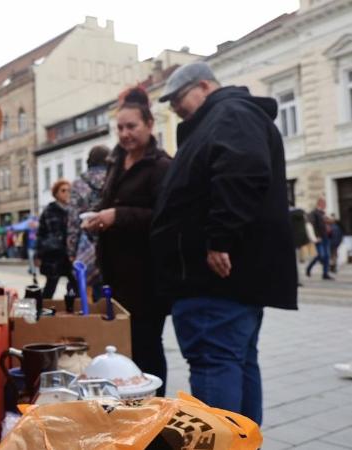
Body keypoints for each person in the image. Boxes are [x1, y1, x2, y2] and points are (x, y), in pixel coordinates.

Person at [150, 61, 297, 424]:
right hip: (224, 284)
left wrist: (219, 239)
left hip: (213, 283)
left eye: (178, 99)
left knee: (216, 366)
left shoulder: (229, 113)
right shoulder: (224, 117)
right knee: (235, 361)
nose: (174, 109)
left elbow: (242, 169)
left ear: (203, 86)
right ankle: (243, 443)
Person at [82, 88, 172, 395]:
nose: (124, 134)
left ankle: (154, 406)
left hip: (147, 276)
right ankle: (126, 405)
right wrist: (97, 219)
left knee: (147, 345)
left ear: (149, 124)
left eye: (131, 126)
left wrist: (116, 215)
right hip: (115, 275)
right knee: (123, 346)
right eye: (120, 128)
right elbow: (110, 205)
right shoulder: (115, 163)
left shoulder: (161, 166)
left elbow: (163, 217)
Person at [67, 144, 110, 301]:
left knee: (91, 291)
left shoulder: (79, 184)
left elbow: (73, 219)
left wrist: (71, 251)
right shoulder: (114, 179)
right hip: (112, 241)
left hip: (87, 243)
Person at [35, 180, 78, 300]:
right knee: (50, 287)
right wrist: (38, 255)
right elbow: (41, 234)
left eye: (69, 190)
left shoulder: (74, 210)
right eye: (63, 190)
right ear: (56, 193)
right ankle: (43, 313)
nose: (67, 193)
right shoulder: (49, 210)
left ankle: (75, 312)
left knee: (77, 287)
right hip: (54, 255)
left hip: (70, 255)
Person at [306, 197, 333, 280]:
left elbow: (330, 223)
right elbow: (311, 225)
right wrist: (315, 237)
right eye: (324, 203)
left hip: (326, 237)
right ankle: (309, 268)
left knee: (327, 256)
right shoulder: (314, 213)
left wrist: (329, 220)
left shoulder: (324, 213)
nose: (325, 205)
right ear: (320, 203)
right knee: (321, 255)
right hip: (319, 237)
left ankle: (325, 274)